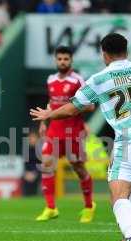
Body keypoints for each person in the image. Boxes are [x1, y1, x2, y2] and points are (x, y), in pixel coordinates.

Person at [30, 33, 131, 241]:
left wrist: (49, 115)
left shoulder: (99, 79)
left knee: (117, 195)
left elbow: (73, 108)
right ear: (127, 51)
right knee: (128, 186)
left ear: (104, 54)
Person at [36, 46, 96, 223]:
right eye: (60, 59)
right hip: (54, 130)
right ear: (56, 60)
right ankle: (50, 208)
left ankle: (88, 206)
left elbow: (91, 104)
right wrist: (42, 122)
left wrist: (73, 109)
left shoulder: (78, 80)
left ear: (71, 61)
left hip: (73, 132)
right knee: (47, 164)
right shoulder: (50, 79)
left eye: (66, 59)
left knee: (79, 169)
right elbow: (51, 103)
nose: (62, 62)